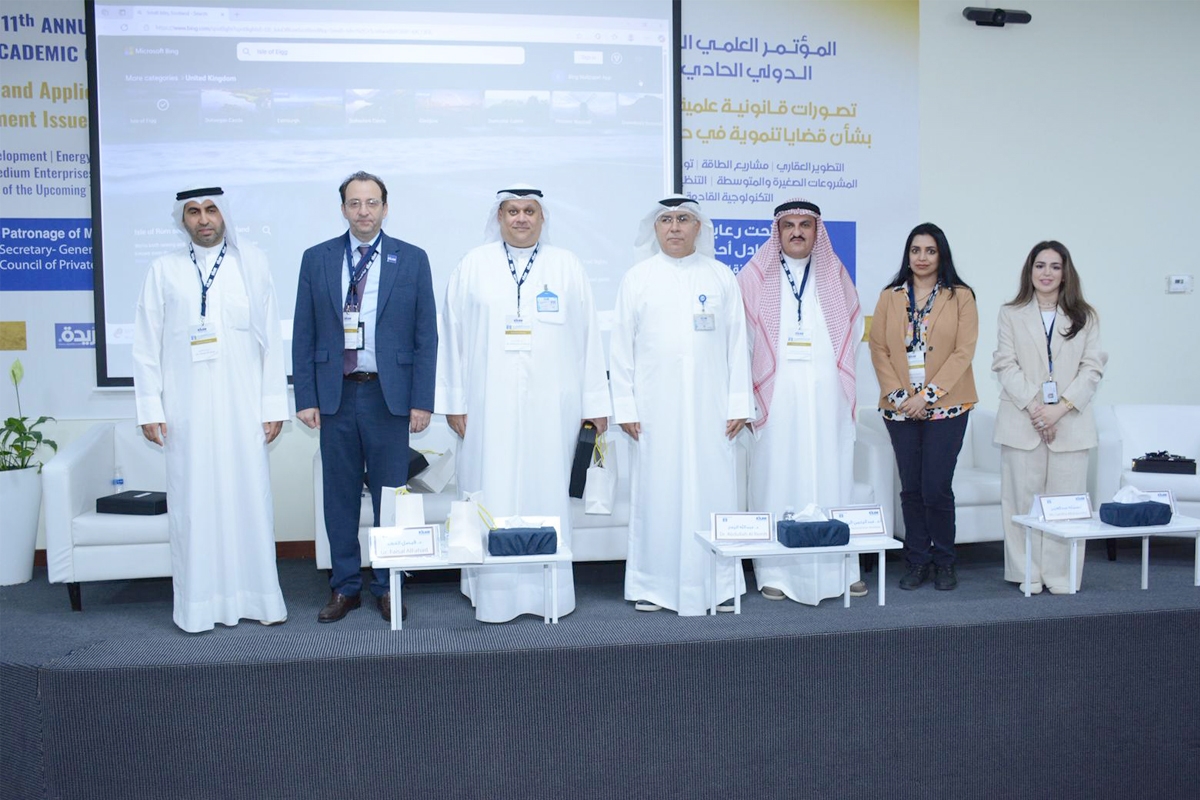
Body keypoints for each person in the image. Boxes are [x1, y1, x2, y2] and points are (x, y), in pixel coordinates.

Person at [435, 184, 610, 623]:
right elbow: (452, 338)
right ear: (499, 217)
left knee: (546, 492)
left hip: (554, 408)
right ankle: (492, 594)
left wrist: (594, 403)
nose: (521, 218)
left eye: (529, 211)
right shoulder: (473, 265)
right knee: (489, 489)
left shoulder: (567, 266)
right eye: (512, 211)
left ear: (542, 217)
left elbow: (589, 339)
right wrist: (453, 401)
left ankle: (548, 593)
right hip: (486, 405)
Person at [132, 186, 288, 632]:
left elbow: (271, 345)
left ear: (224, 215)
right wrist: (150, 407)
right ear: (182, 220)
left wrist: (272, 405)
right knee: (193, 506)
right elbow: (145, 344)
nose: (204, 219)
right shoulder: (163, 271)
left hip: (243, 409)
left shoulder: (250, 266)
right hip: (187, 412)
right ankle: (198, 608)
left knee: (248, 501)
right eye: (194, 212)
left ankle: (258, 600)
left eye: (211, 210)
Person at [292, 171, 437, 624]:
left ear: (385, 208)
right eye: (354, 203)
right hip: (335, 394)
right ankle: (345, 586)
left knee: (390, 498)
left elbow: (426, 336)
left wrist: (422, 400)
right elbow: (303, 331)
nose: (363, 211)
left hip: (388, 396)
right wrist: (305, 395)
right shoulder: (316, 259)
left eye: (372, 202)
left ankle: (389, 584)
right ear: (343, 209)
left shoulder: (412, 259)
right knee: (338, 496)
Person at [610, 195, 753, 615]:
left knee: (714, 492)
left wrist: (739, 403)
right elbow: (621, 349)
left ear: (698, 227)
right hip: (653, 411)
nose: (674, 227)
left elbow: (738, 344)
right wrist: (626, 408)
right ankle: (653, 586)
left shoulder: (721, 276)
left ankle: (719, 586)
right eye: (667, 220)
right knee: (657, 494)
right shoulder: (637, 278)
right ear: (655, 229)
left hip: (713, 410)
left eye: (684, 219)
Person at [738, 199, 868, 604]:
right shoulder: (754, 276)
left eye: (805, 225)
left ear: (816, 231)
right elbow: (739, 340)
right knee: (777, 476)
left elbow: (853, 334)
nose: (797, 232)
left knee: (833, 476)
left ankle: (842, 568)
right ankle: (775, 570)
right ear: (777, 231)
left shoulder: (836, 275)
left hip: (828, 398)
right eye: (789, 225)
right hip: (776, 398)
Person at [868, 223, 978, 591]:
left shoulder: (961, 296)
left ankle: (945, 561)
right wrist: (902, 397)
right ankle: (917, 561)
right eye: (916, 250)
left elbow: (963, 351)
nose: (922, 257)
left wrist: (927, 396)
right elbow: (878, 349)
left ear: (941, 254)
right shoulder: (890, 296)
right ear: (908, 254)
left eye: (930, 250)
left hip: (947, 406)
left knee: (936, 487)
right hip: (900, 409)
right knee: (911, 489)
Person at [993, 241, 1106, 594]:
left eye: (1055, 266)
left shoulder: (1086, 316)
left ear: (1065, 273)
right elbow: (1004, 364)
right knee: (1020, 502)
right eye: (1040, 265)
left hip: (1070, 421)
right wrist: (1037, 407)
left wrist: (1059, 408)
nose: (1046, 273)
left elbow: (1092, 368)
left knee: (1065, 505)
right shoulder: (1011, 313)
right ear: (1030, 271)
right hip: (1022, 419)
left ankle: (1061, 575)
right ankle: (1026, 572)